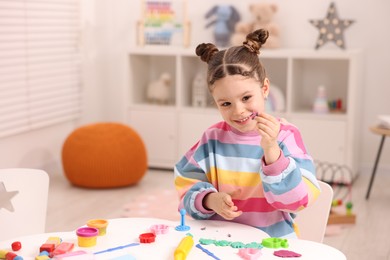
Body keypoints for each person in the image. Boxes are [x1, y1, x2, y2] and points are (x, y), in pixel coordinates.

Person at [174, 28, 320, 238]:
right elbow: (185, 185)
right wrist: (208, 200)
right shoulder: (211, 139)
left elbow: (298, 201)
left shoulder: (286, 136)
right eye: (225, 103)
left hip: (272, 241)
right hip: (219, 240)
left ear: (265, 88)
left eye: (246, 98)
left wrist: (272, 151)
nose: (238, 111)